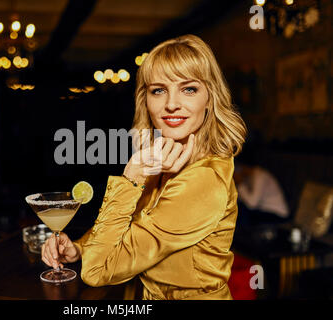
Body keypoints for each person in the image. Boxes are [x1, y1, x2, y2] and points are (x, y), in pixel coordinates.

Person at [41, 35, 247, 300]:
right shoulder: (166, 157)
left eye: (189, 89)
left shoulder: (204, 180)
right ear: (145, 100)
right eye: (159, 90)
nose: (172, 103)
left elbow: (97, 271)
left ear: (210, 97)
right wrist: (79, 248)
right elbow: (131, 225)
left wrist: (131, 177)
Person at [234, 160, 289, 226]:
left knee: (241, 211)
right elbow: (240, 199)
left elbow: (251, 204)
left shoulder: (260, 176)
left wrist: (240, 183)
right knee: (237, 209)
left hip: (277, 214)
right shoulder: (248, 177)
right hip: (263, 210)